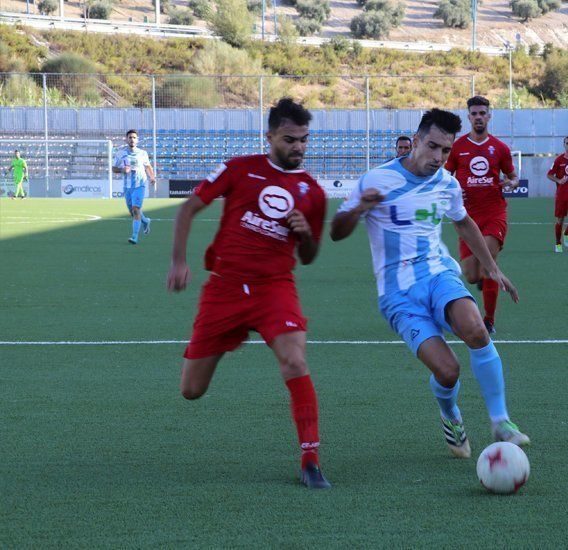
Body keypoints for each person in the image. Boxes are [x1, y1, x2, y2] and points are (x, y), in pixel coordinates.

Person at [330, 108, 530, 459]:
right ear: (417, 140)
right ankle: (450, 414)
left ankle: (501, 421)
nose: (438, 158)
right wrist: (360, 207)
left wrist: (492, 269)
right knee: (448, 370)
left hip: (438, 273)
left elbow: (463, 222)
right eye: (433, 147)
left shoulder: (447, 184)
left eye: (446, 151)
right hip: (397, 295)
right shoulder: (377, 179)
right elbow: (336, 231)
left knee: (477, 330)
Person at [166, 98, 331, 489]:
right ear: (270, 135)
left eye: (304, 140)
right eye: (290, 140)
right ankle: (225, 338)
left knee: (294, 360)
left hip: (274, 288)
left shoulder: (312, 192)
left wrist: (304, 233)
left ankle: (311, 458)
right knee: (191, 390)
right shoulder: (240, 168)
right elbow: (189, 208)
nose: (299, 148)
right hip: (224, 288)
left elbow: (308, 257)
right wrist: (178, 260)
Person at [444, 96, 519, 335]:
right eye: (474, 113)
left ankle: (488, 320)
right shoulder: (457, 147)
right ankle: (483, 277)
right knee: (471, 274)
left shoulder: (500, 148)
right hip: (467, 218)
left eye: (482, 113)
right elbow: (446, 176)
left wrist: (511, 183)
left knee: (488, 266)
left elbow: (513, 176)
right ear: (469, 117)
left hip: (494, 212)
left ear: (489, 116)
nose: (478, 117)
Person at [113, 130, 156, 244]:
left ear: (137, 140)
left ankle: (134, 237)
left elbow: (148, 167)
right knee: (132, 212)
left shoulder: (142, 153)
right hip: (127, 187)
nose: (132, 139)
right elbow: (113, 168)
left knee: (136, 209)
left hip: (139, 185)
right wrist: (122, 170)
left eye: (134, 137)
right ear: (126, 139)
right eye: (130, 137)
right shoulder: (120, 153)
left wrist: (152, 177)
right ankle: (146, 221)